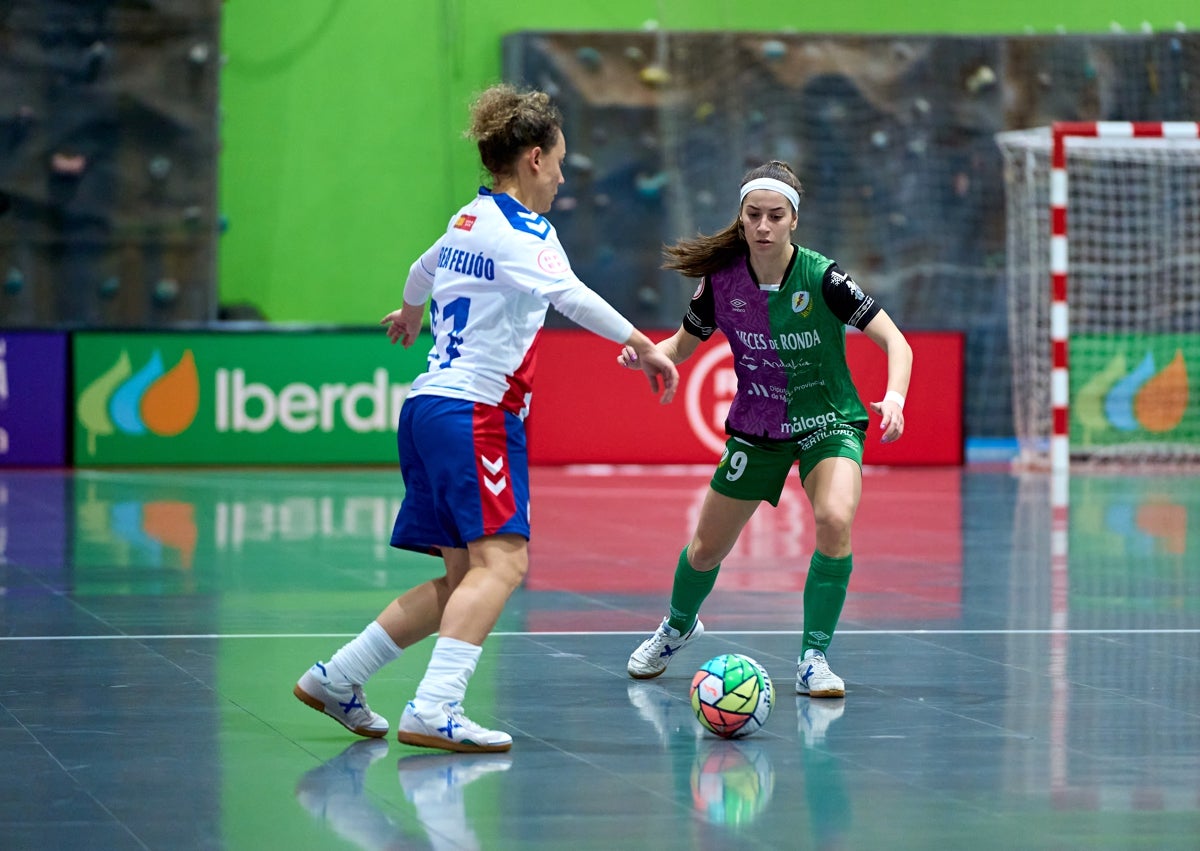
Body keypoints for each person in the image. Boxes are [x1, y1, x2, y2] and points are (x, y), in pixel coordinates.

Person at [294, 83, 679, 753]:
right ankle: (435, 706)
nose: (562, 176)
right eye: (559, 161)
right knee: (503, 564)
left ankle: (338, 677)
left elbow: (422, 269)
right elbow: (571, 296)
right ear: (533, 157)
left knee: (459, 580)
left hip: (425, 409)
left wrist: (410, 309)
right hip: (476, 414)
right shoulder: (527, 231)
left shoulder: (467, 220)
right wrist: (644, 345)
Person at [622, 160, 912, 699]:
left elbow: (898, 342)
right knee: (706, 551)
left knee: (833, 517)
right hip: (756, 430)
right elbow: (682, 346)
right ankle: (678, 626)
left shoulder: (823, 278)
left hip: (828, 422)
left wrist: (894, 397)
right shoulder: (722, 283)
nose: (762, 226)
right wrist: (646, 354)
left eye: (774, 216)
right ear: (741, 217)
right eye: (753, 215)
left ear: (793, 220)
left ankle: (813, 659)